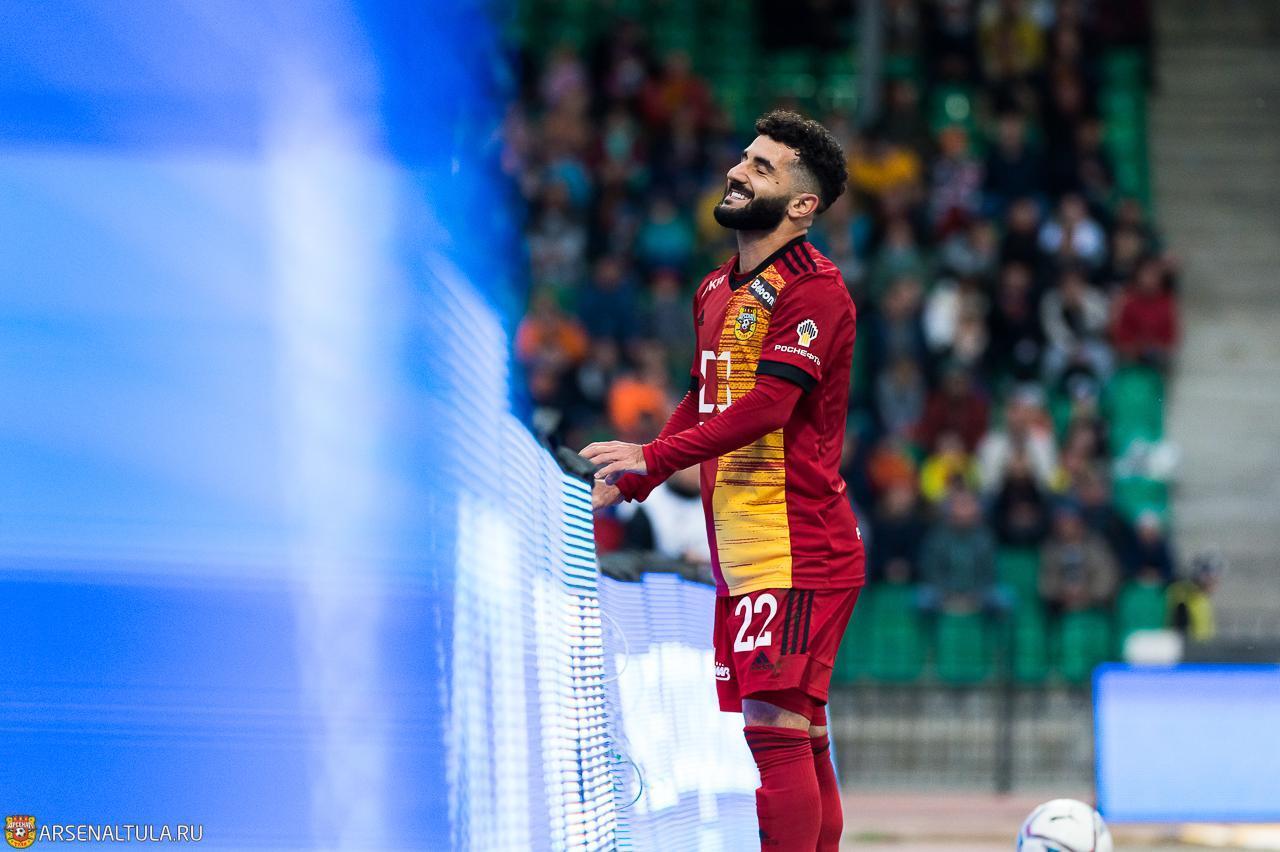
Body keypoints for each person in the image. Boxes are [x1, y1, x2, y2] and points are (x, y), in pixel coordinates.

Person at [582, 111, 861, 851]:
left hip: (798, 548)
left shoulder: (817, 291)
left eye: (763, 167)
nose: (738, 171)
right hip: (745, 552)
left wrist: (653, 460)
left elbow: (767, 408)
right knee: (799, 731)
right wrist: (641, 474)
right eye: (745, 157)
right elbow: (703, 397)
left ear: (803, 205)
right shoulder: (714, 288)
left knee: (774, 727)